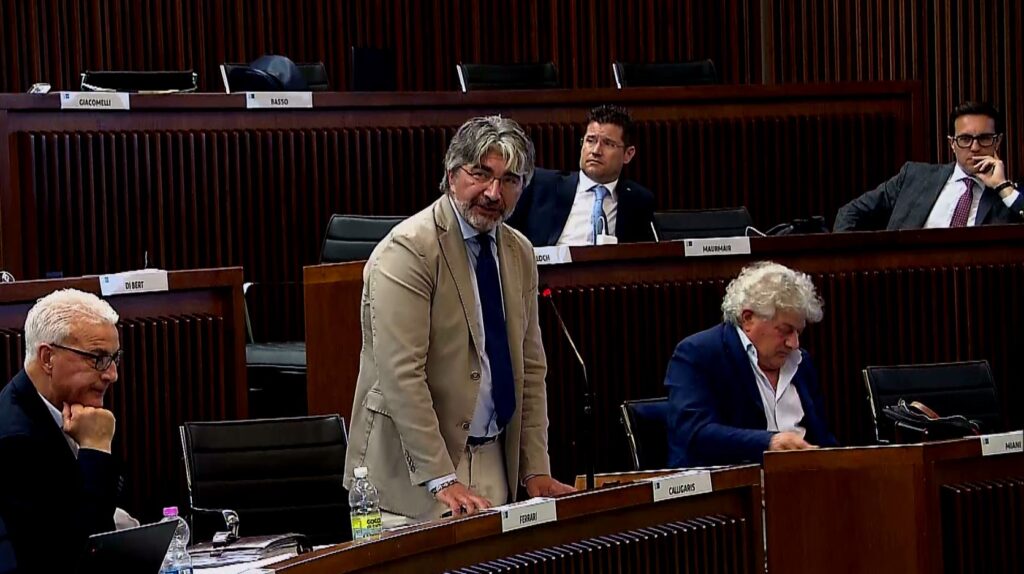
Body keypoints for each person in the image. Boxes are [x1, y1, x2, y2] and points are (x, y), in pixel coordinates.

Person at [344, 115, 575, 526]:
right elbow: (401, 374)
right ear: (452, 175)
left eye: (509, 180)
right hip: (410, 480)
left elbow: (530, 368)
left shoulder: (519, 252)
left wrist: (535, 468)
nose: (493, 192)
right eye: (480, 174)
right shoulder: (408, 251)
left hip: (494, 462)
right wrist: (441, 478)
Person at [664, 261, 837, 467]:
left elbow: (823, 438)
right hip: (735, 482)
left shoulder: (801, 362)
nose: (794, 343)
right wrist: (769, 442)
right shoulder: (698, 353)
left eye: (798, 332)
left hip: (804, 479)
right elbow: (694, 433)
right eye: (785, 330)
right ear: (748, 319)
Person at [0, 289, 124, 572]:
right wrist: (96, 450)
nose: (112, 374)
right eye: (97, 358)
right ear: (48, 358)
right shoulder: (14, 440)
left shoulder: (81, 411)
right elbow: (78, 556)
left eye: (114, 358)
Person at [834, 101, 1023, 231]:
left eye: (984, 138)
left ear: (997, 142)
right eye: (965, 139)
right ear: (952, 143)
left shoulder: (1007, 197)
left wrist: (1002, 187)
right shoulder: (914, 177)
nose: (974, 147)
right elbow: (849, 213)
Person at [507, 104, 656, 246]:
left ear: (628, 154)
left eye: (608, 144)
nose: (596, 151)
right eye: (590, 140)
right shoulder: (541, 185)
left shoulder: (638, 200)